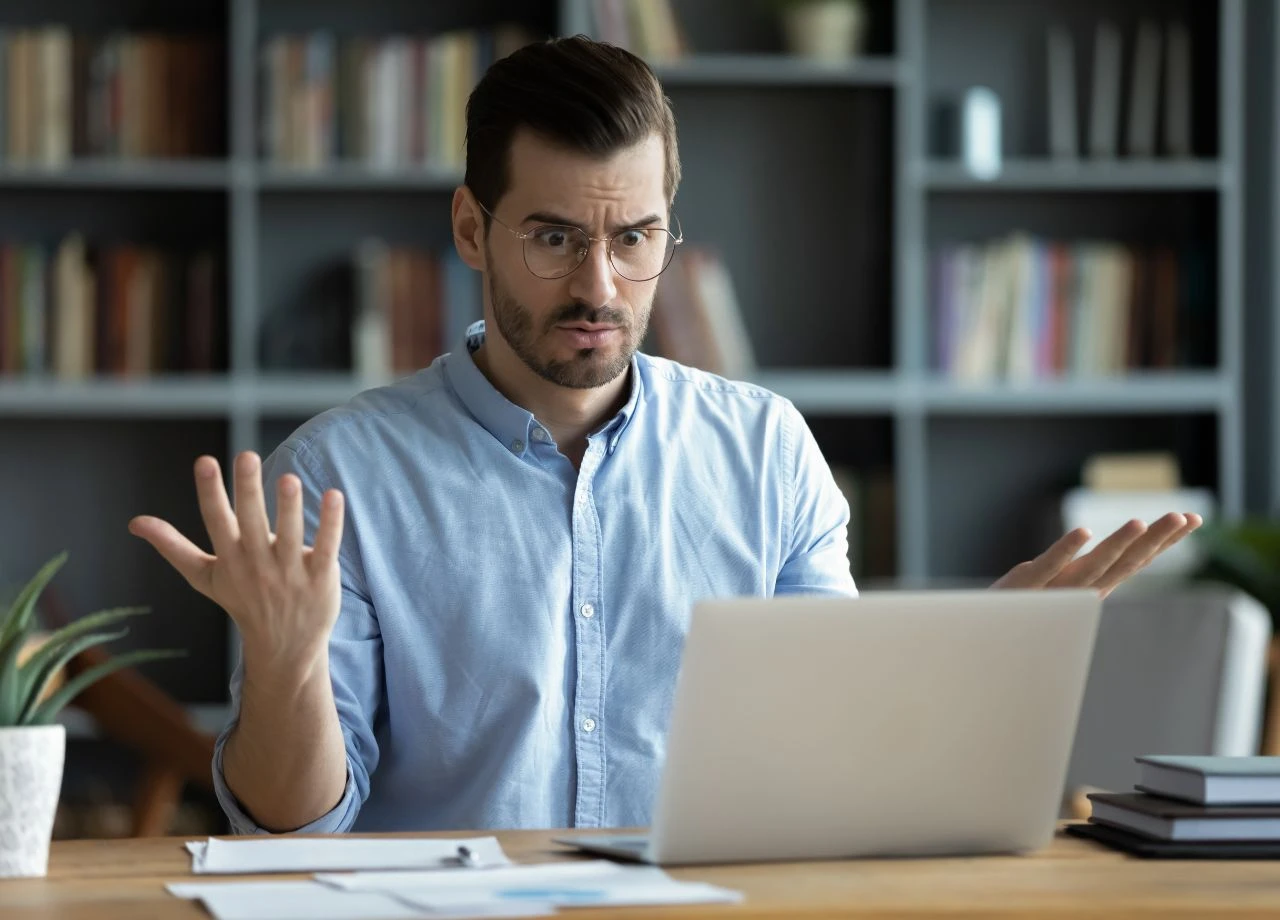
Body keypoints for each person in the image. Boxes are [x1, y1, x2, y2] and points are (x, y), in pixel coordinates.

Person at [129, 36, 1201, 835]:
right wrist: (284, 663)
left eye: (633, 237)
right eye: (552, 236)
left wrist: (963, 665)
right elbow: (293, 825)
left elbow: (827, 764)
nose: (598, 285)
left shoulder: (765, 450)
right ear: (471, 229)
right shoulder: (339, 477)